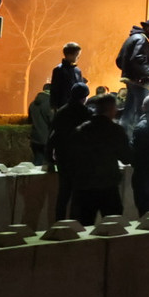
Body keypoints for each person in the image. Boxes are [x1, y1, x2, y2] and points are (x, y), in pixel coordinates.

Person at [73, 93, 133, 226]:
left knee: (84, 227)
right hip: (108, 185)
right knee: (114, 226)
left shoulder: (81, 130)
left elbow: (73, 156)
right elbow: (126, 158)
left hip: (84, 186)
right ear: (111, 109)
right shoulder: (115, 130)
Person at [48, 82, 91, 220]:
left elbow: (52, 136)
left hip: (63, 158)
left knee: (63, 194)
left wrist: (49, 158)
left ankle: (59, 223)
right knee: (77, 195)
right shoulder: (86, 113)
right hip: (80, 160)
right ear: (84, 97)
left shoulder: (61, 111)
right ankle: (74, 224)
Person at [116, 19, 149, 137]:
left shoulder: (132, 38)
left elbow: (119, 60)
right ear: (148, 29)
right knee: (141, 111)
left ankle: (123, 136)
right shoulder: (141, 40)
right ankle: (138, 137)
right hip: (140, 82)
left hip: (132, 80)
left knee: (128, 111)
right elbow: (138, 58)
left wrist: (128, 71)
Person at [50, 42, 86, 110]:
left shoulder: (77, 71)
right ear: (69, 55)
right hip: (64, 107)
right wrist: (55, 107)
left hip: (77, 107)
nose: (78, 57)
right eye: (77, 55)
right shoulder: (59, 70)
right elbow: (54, 90)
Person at [28, 83, 53, 166]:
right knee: (47, 166)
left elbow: (29, 120)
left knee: (37, 163)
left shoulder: (32, 104)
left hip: (35, 139)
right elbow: (53, 121)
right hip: (46, 139)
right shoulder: (50, 104)